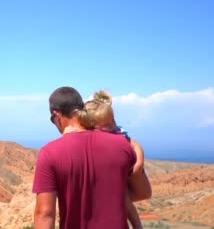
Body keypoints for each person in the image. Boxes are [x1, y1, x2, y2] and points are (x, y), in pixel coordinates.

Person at [33, 86, 151, 229]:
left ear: (57, 115)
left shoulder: (49, 153)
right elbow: (144, 193)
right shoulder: (122, 144)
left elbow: (45, 214)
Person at [80, 90, 146, 229]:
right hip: (109, 179)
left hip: (122, 177)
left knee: (125, 201)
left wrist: (139, 163)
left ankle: (137, 225)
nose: (111, 125)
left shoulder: (118, 133)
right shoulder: (91, 137)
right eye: (106, 124)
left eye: (112, 121)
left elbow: (135, 145)